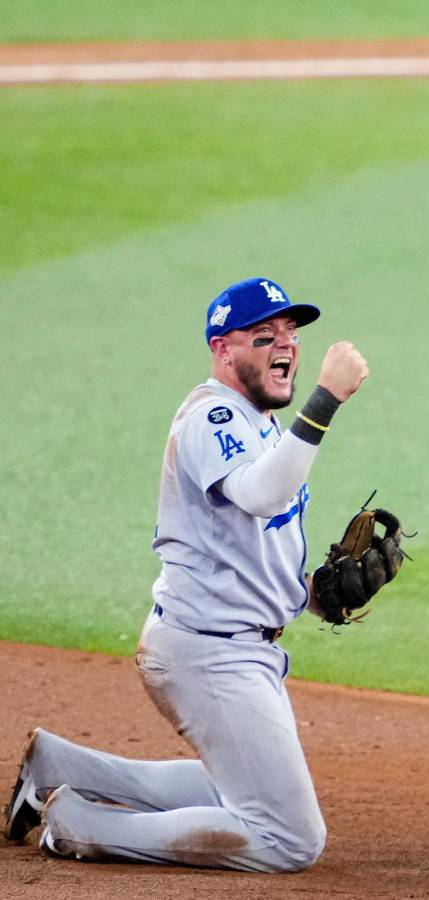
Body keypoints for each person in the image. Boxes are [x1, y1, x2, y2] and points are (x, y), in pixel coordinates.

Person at [4, 277, 369, 872]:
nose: (286, 345)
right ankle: (79, 824)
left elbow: (246, 554)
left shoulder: (260, 423)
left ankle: (59, 767)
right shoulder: (212, 416)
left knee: (244, 794)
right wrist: (325, 398)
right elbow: (262, 493)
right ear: (223, 350)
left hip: (231, 648)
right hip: (207, 654)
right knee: (288, 840)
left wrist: (316, 598)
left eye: (291, 333)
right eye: (263, 335)